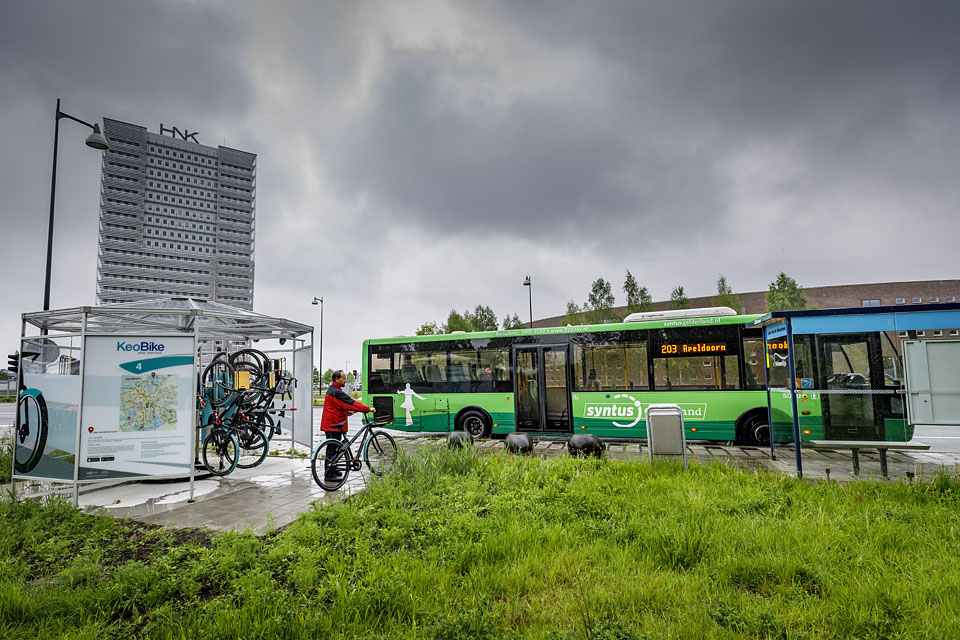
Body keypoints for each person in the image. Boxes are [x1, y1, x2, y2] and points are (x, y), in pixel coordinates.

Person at [320, 369, 374, 482]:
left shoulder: (333, 390)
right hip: (333, 424)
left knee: (334, 449)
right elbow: (351, 402)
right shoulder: (336, 392)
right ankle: (329, 475)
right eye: (343, 378)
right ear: (336, 379)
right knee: (331, 449)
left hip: (332, 423)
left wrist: (346, 412)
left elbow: (337, 405)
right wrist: (367, 409)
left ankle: (333, 469)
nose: (345, 380)